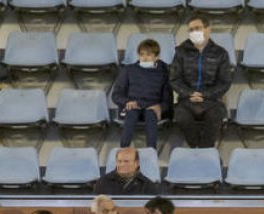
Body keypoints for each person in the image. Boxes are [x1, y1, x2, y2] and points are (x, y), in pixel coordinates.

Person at [170, 14, 233, 148]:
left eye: (197, 28)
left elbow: (225, 81)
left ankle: (205, 151)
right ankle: (196, 149)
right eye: (191, 30)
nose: (194, 32)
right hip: (186, 100)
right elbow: (175, 79)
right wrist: (189, 94)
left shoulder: (221, 53)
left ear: (208, 29)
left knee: (215, 117)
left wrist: (205, 94)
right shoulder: (181, 52)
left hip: (212, 100)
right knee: (181, 117)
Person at [111, 37, 172, 151]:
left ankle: (151, 153)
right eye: (141, 54)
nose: (144, 57)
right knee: (131, 113)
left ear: (156, 57)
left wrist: (160, 107)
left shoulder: (164, 73)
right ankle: (123, 151)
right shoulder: (128, 70)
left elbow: (167, 99)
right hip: (133, 105)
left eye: (148, 55)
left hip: (152, 107)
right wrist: (127, 102)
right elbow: (116, 94)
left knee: (151, 114)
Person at [94, 147, 160, 196]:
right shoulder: (102, 182)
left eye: (126, 161)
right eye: (119, 161)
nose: (122, 165)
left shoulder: (148, 186)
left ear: (136, 163)